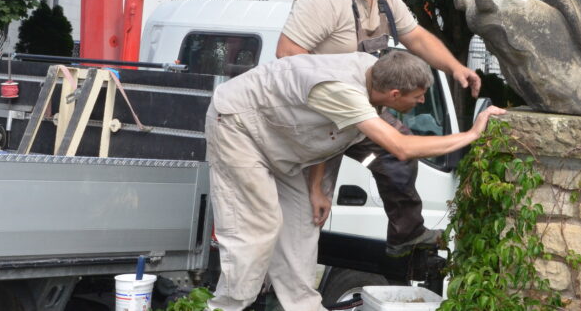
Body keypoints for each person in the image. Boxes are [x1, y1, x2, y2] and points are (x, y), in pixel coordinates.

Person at [205, 49, 506, 311]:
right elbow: (401, 148)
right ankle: (227, 306)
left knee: (301, 226)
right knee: (259, 227)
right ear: (395, 95)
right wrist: (471, 134)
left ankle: (302, 307)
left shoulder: (374, 73)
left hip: (279, 138)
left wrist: (316, 188)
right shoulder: (343, 91)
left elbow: (325, 129)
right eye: (418, 97)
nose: (422, 100)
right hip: (238, 126)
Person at [276, 0, 481, 254]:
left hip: (356, 111)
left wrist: (456, 68)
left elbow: (416, 36)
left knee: (398, 151)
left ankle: (406, 235)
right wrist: (329, 99)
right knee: (307, 214)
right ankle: (281, 278)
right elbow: (287, 55)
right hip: (315, 118)